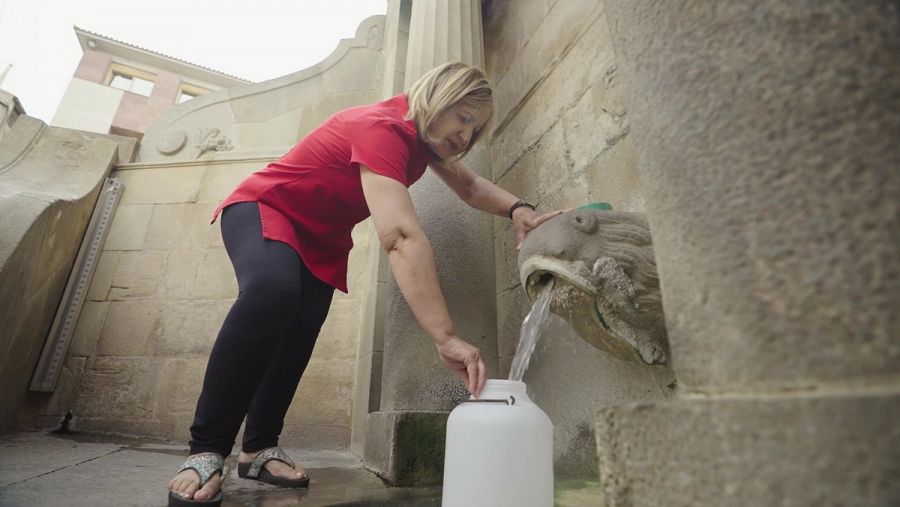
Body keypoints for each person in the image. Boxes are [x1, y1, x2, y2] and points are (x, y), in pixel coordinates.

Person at [167, 62, 561, 506]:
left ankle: (258, 449)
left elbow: (469, 186)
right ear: (439, 97)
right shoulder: (383, 128)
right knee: (273, 292)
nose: (466, 136)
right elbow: (400, 238)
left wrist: (518, 208)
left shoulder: (423, 144)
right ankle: (206, 449)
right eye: (464, 117)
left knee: (298, 335)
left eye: (476, 128)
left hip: (322, 238)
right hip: (266, 208)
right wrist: (445, 336)